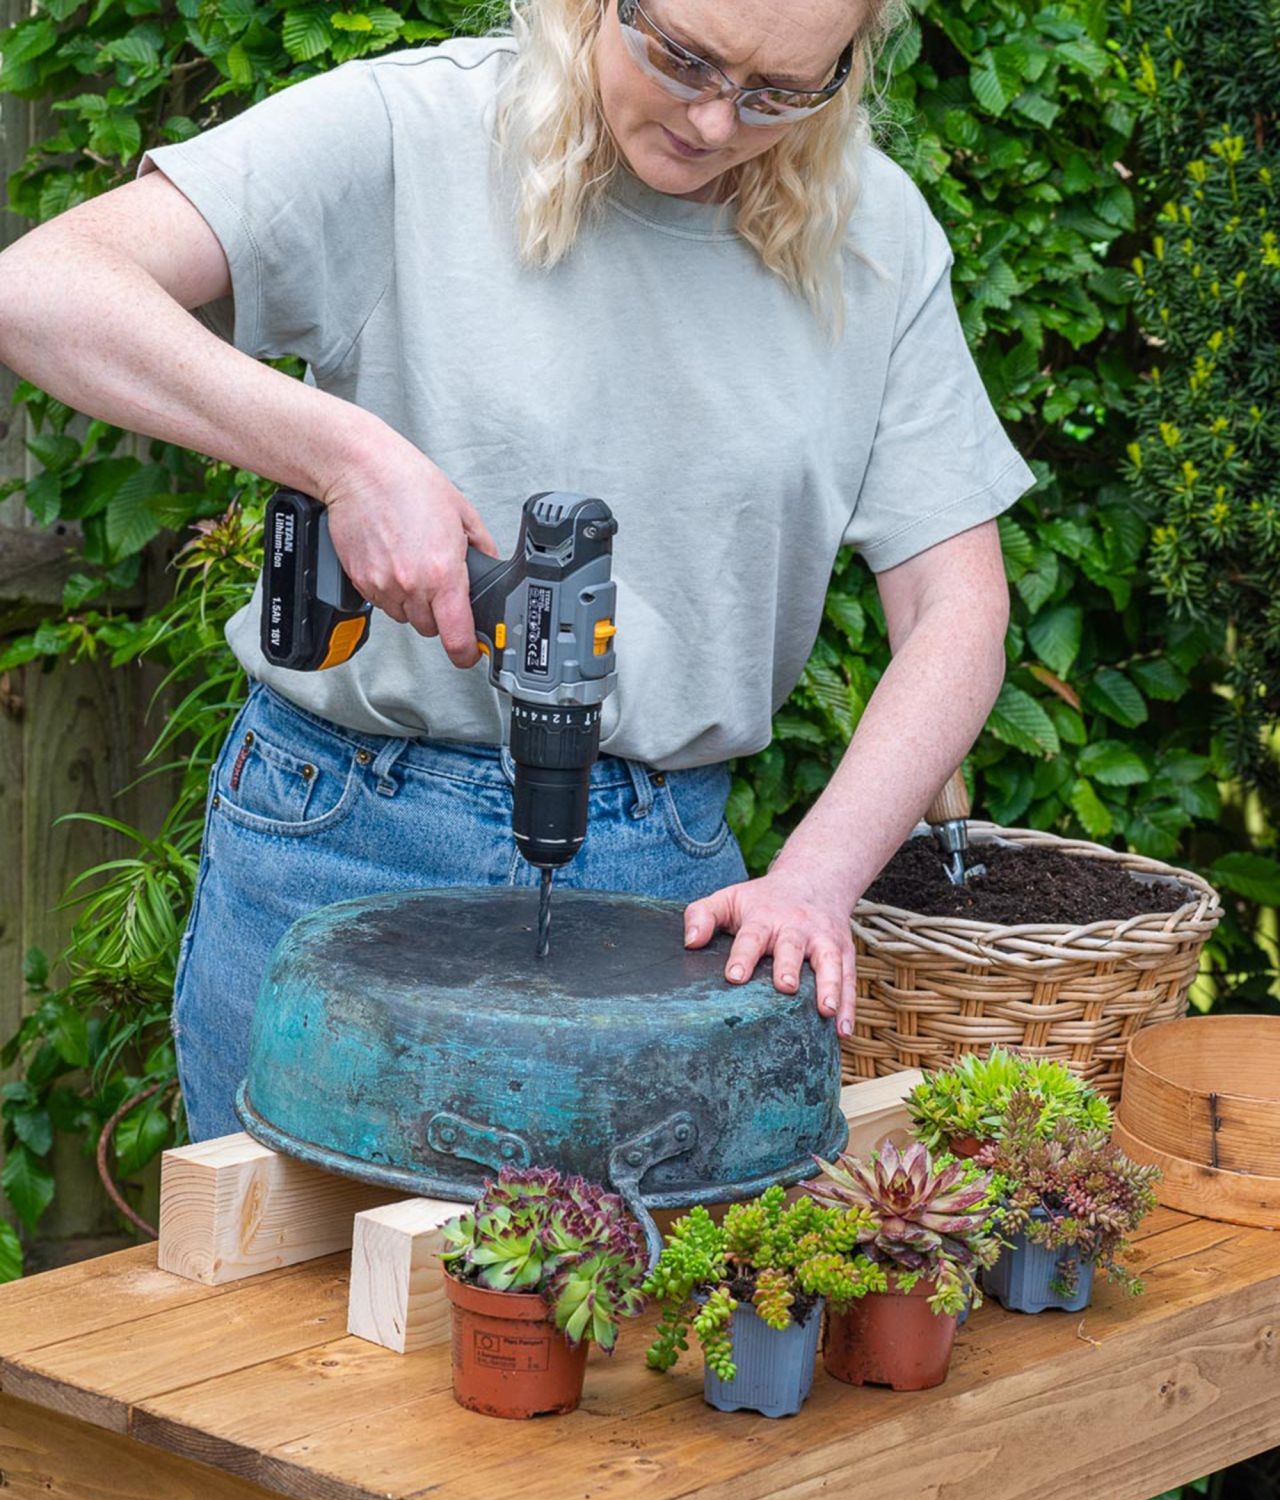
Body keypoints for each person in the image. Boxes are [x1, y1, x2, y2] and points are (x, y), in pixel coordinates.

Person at [0, 0, 1033, 1142]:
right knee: (280, 1305)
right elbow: (44, 289)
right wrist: (345, 456)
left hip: (661, 874)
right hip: (338, 831)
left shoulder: (874, 236)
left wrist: (817, 878)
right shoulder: (411, 133)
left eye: (778, 92)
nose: (712, 118)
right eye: (681, 56)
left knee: (609, 1297)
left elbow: (956, 608)